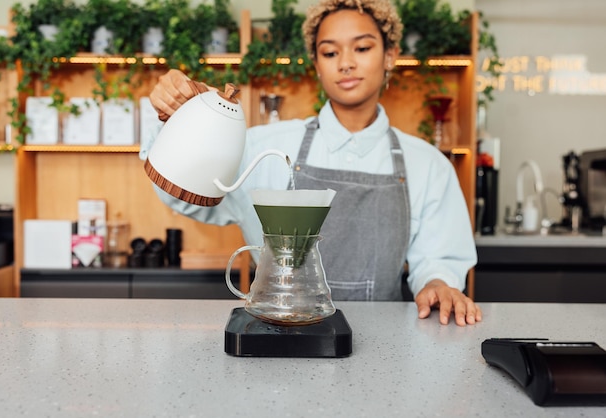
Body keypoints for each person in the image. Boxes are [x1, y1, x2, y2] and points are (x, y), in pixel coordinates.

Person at [146, 0, 482, 326]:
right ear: (317, 63)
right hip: (279, 342)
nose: (345, 63)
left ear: (390, 55)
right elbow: (181, 194)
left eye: (362, 48)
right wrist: (183, 119)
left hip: (386, 348)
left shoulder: (428, 165)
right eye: (330, 52)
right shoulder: (261, 149)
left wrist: (438, 284)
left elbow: (437, 259)